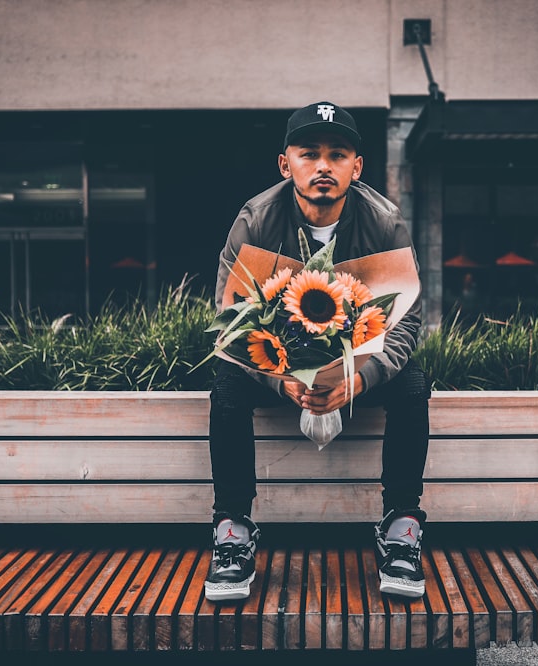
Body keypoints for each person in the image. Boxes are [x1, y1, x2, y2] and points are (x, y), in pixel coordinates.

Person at [204, 101, 431, 602]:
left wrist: (359, 380)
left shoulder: (384, 222)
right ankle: (232, 530)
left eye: (337, 154)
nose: (323, 166)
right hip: (280, 371)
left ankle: (401, 527)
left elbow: (405, 319)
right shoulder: (256, 221)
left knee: (413, 382)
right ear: (286, 164)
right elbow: (233, 323)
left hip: (356, 370)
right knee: (226, 382)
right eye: (309, 153)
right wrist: (279, 378)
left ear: (358, 166)